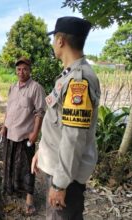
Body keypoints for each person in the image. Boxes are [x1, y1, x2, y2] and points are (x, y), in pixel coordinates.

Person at [31, 16, 101, 219]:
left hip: (65, 178)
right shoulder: (68, 76)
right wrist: (41, 152)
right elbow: (57, 125)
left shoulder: (79, 80)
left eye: (54, 40)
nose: (53, 44)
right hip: (57, 168)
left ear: (60, 41)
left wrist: (59, 184)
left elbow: (74, 138)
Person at [0, 56, 46, 215]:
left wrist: (35, 132)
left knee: (28, 168)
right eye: (19, 69)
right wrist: (4, 126)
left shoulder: (36, 88)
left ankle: (29, 199)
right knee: (11, 163)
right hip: (10, 133)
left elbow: (40, 112)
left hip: (25, 136)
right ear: (16, 70)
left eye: (25, 69)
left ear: (30, 70)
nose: (21, 72)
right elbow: (9, 109)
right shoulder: (12, 87)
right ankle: (13, 188)